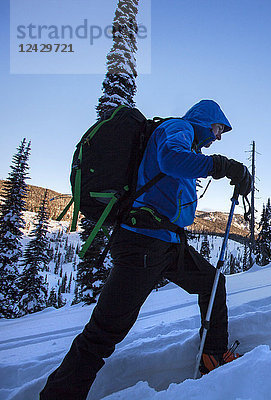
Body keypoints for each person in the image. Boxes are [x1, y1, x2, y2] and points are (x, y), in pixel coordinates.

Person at [40, 100, 252, 400]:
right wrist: (222, 165)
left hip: (166, 242)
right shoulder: (177, 128)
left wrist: (223, 168)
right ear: (206, 120)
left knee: (213, 283)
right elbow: (170, 160)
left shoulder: (190, 143)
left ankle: (213, 357)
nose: (218, 136)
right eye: (218, 129)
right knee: (104, 333)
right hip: (142, 242)